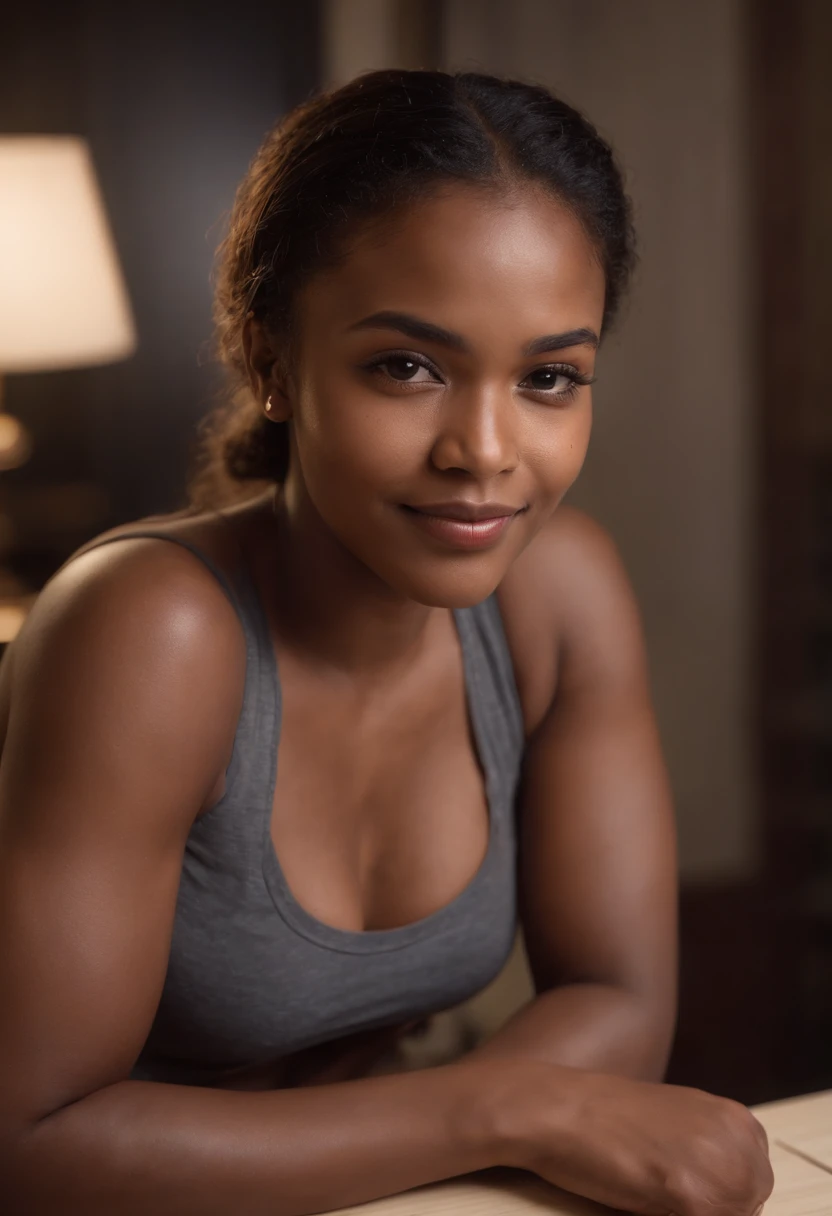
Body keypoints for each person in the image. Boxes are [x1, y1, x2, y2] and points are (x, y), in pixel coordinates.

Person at [0, 69, 772, 1216]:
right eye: (407, 366)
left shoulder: (558, 595)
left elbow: (619, 996)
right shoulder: (150, 630)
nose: (484, 449)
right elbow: (34, 1145)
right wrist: (510, 1107)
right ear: (269, 359)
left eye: (548, 377)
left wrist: (453, 1118)